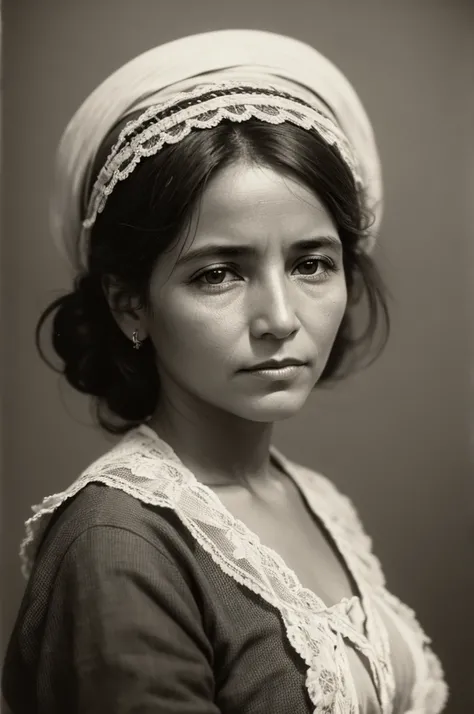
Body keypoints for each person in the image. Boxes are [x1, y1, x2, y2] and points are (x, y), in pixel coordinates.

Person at [1, 29, 448, 714]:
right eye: (218, 273)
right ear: (130, 304)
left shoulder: (314, 498)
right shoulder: (118, 543)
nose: (279, 317)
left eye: (310, 263)